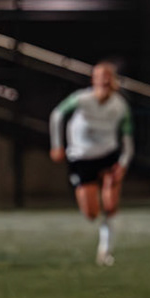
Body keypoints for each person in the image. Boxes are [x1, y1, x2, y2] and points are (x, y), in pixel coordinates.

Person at [49, 62, 134, 265]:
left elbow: (128, 140)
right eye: (100, 76)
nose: (104, 80)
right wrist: (57, 145)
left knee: (111, 204)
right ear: (93, 80)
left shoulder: (120, 106)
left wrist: (123, 164)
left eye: (108, 76)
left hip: (108, 156)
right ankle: (102, 242)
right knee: (91, 213)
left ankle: (105, 251)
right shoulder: (81, 99)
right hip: (82, 158)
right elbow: (57, 115)